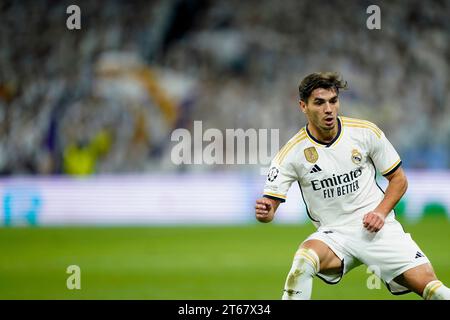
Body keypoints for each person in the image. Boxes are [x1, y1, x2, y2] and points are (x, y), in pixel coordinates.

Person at [255, 72, 450, 300]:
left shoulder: (365, 132)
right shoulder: (290, 154)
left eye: (333, 101)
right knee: (303, 262)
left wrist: (380, 212)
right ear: (303, 106)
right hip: (335, 235)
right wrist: (265, 212)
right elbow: (269, 210)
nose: (328, 109)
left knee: (435, 292)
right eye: (319, 102)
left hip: (379, 229)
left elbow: (399, 180)